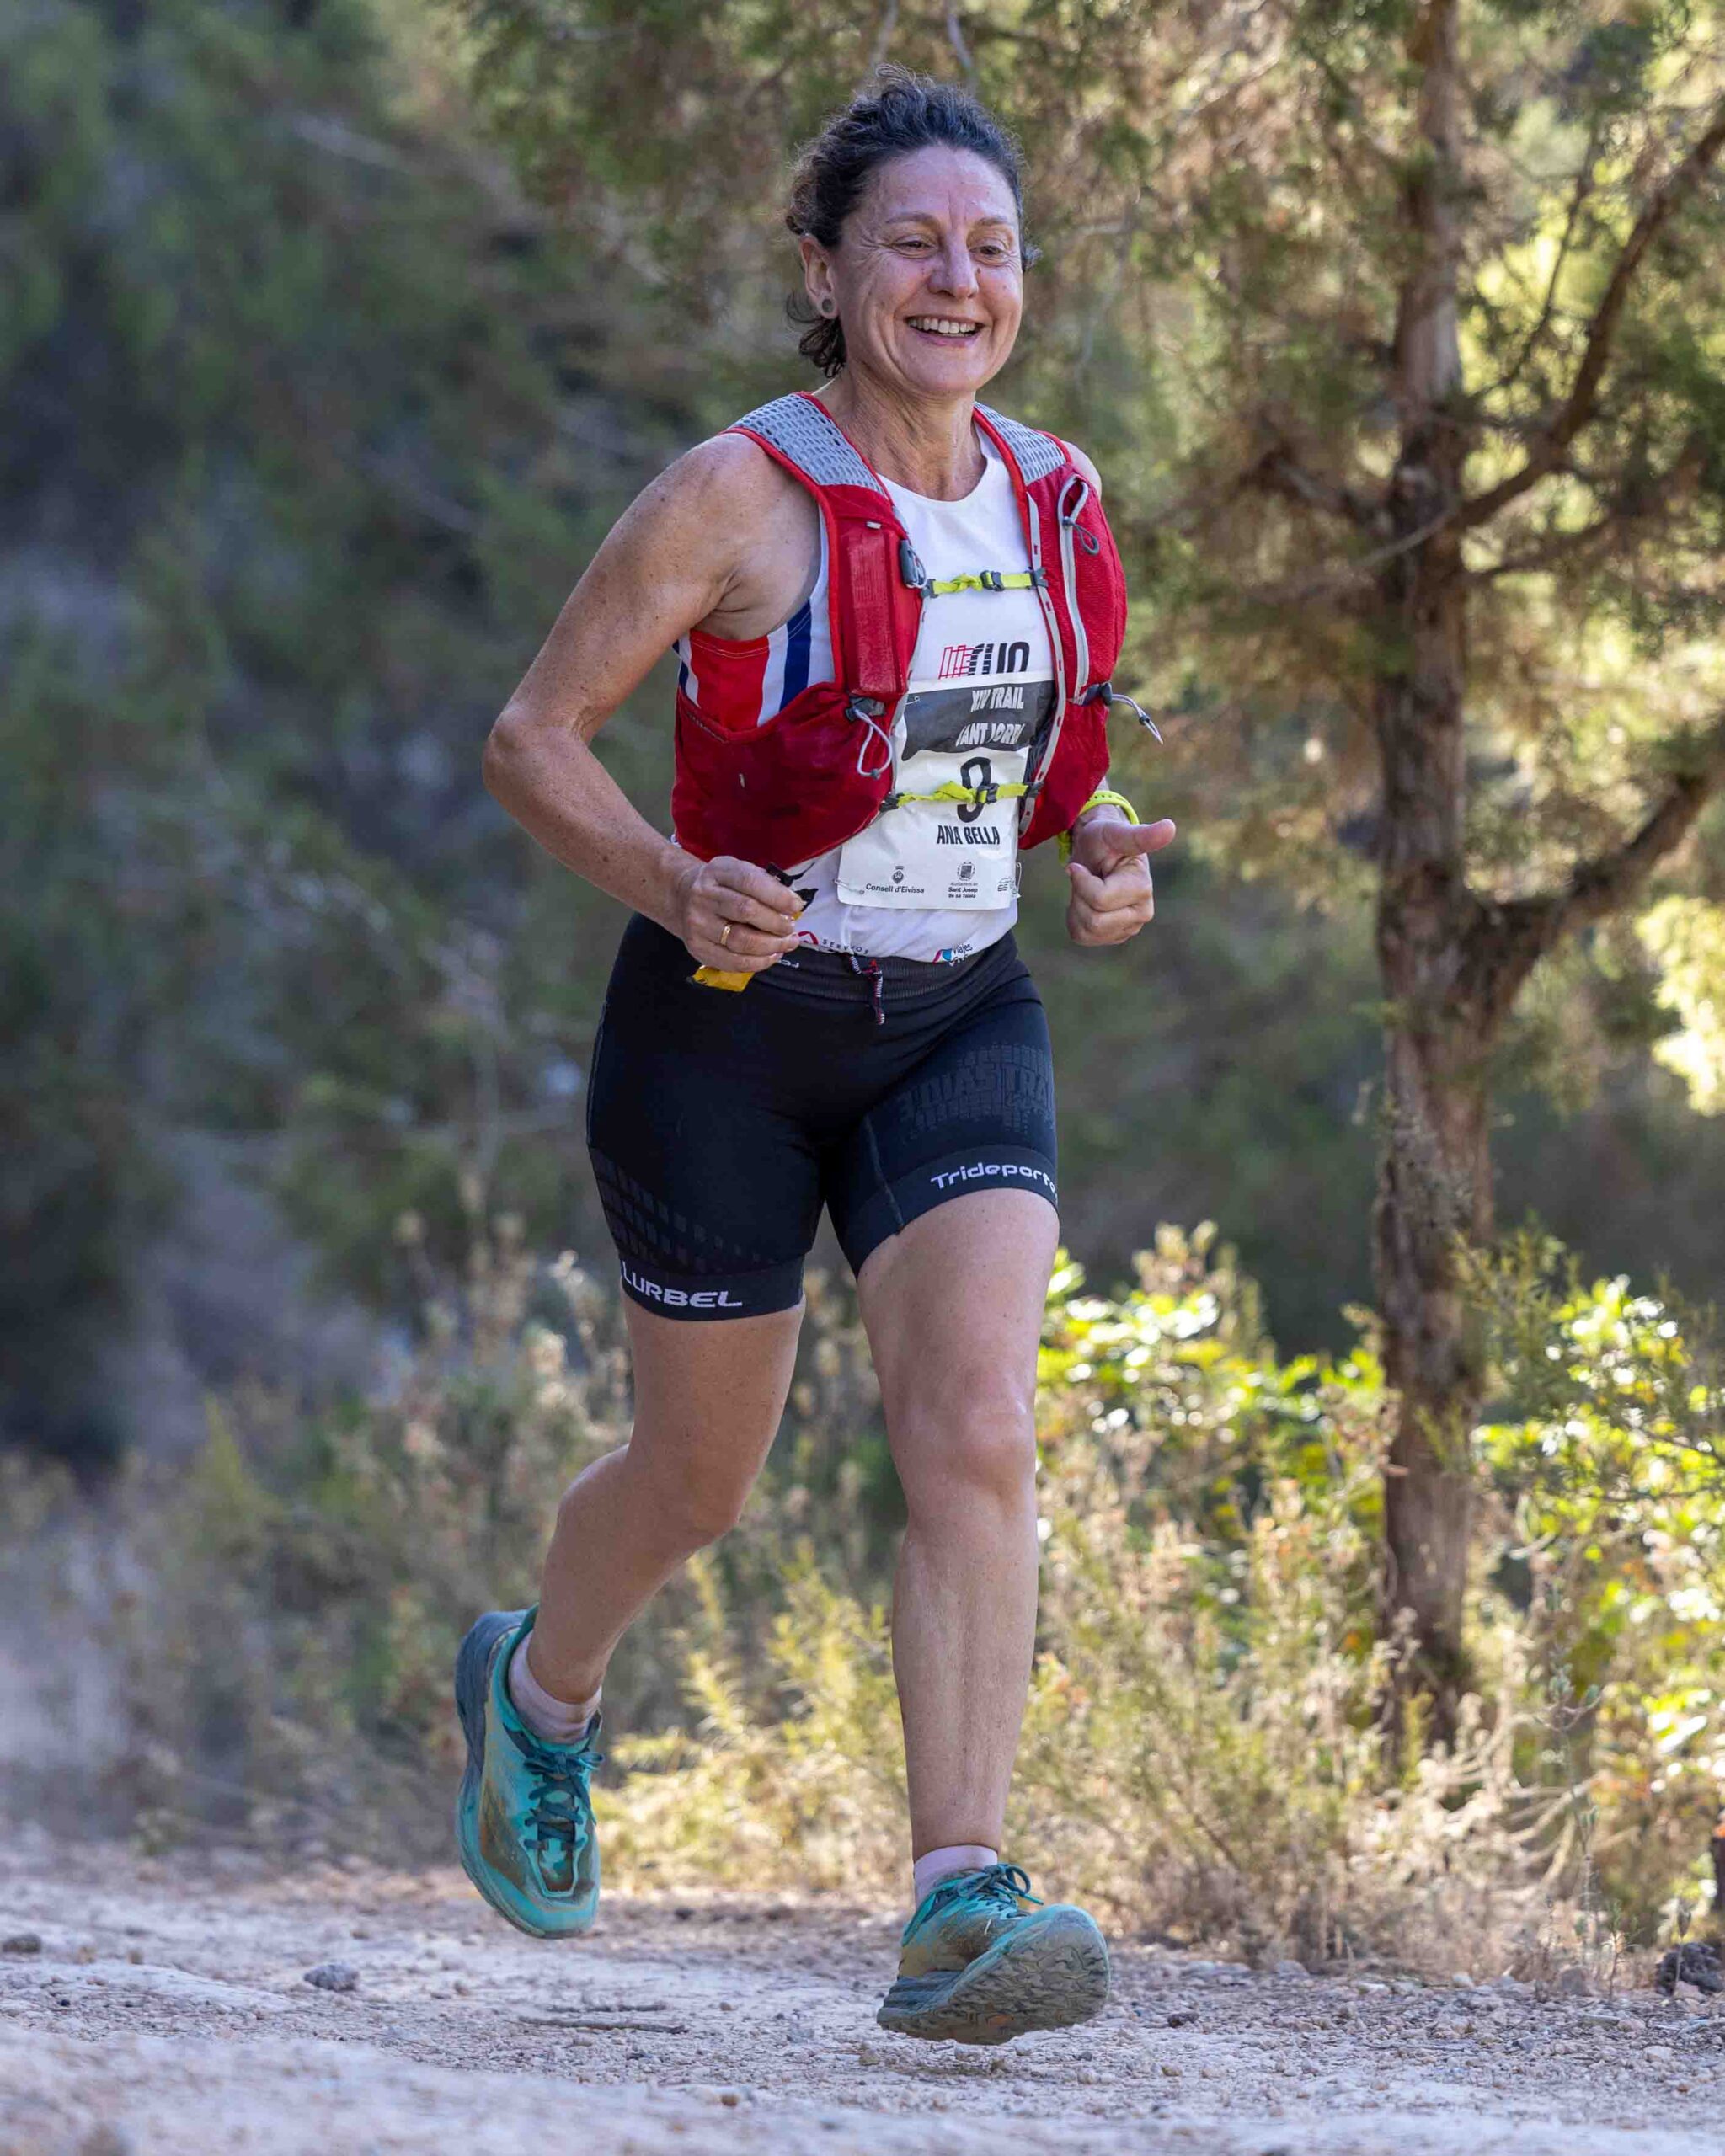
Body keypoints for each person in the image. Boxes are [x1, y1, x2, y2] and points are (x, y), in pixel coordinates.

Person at [453, 64, 1175, 2047]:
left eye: (990, 247)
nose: (957, 279)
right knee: (699, 1477)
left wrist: (1096, 841)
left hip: (958, 1014)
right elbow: (530, 738)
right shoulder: (735, 493)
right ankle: (538, 1688)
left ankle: (957, 1896)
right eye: (912, 242)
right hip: (724, 1036)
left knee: (976, 1423)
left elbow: (1012, 756)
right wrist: (675, 883)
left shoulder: (1054, 492)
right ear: (825, 269)